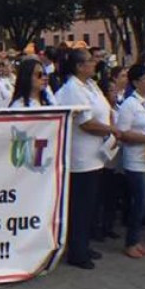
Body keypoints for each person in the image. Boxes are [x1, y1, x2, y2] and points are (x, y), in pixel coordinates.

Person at [54, 48, 114, 269]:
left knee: (90, 204)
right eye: (90, 61)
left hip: (96, 155)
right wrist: (112, 130)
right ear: (79, 66)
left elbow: (102, 109)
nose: (94, 64)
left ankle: (84, 244)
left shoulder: (90, 85)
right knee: (80, 206)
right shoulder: (73, 89)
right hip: (81, 158)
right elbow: (86, 123)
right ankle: (77, 252)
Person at [115, 64, 145, 259]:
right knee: (140, 201)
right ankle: (131, 242)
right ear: (135, 82)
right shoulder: (129, 105)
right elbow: (122, 134)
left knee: (144, 200)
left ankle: (136, 240)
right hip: (135, 160)